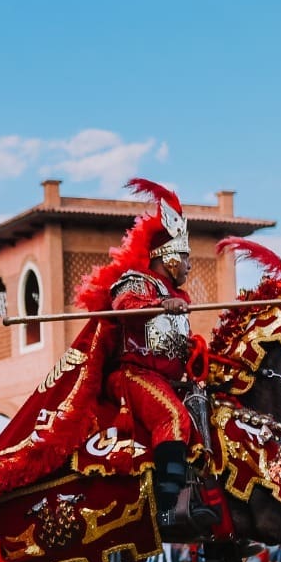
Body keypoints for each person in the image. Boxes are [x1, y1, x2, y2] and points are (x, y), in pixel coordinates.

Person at [98, 181, 216, 531]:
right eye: (186, 258)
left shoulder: (174, 294)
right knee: (172, 417)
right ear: (169, 258)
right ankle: (166, 513)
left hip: (167, 379)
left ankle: (203, 504)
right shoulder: (137, 281)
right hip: (134, 374)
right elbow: (124, 308)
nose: (190, 266)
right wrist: (161, 304)